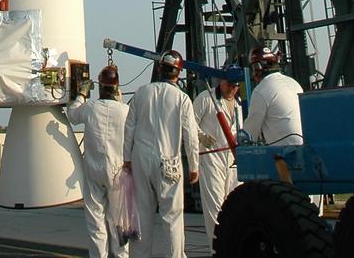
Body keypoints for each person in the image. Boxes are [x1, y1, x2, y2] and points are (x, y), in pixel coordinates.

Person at [122, 49, 199, 258]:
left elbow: (129, 128)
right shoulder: (182, 99)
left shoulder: (141, 93)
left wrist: (126, 159)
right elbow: (190, 136)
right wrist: (194, 166)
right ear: (178, 72)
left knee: (143, 216)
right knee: (172, 217)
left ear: (159, 68)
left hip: (140, 159)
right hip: (169, 161)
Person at [67, 64, 130, 258]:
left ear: (100, 87)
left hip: (94, 171)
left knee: (96, 222)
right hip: (118, 170)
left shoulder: (90, 108)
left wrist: (82, 94)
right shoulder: (125, 111)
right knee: (120, 222)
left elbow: (72, 113)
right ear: (117, 88)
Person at [192, 75, 243, 248]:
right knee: (215, 207)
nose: (232, 89)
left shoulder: (238, 103)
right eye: (229, 84)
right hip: (211, 157)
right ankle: (217, 249)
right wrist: (201, 136)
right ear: (221, 81)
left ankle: (233, 247)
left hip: (232, 158)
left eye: (235, 86)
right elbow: (190, 123)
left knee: (235, 205)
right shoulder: (206, 99)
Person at [243, 46, 302, 145]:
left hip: (286, 154)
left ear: (257, 68)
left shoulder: (261, 90)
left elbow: (249, 134)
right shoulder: (294, 83)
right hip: (306, 149)